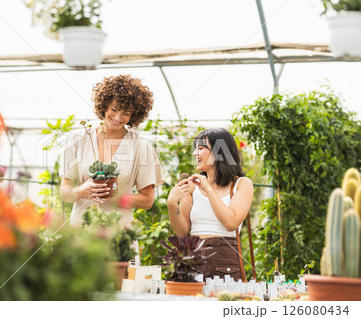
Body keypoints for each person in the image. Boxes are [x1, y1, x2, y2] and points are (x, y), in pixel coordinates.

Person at [60, 74, 164, 226]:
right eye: (114, 109)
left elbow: (147, 200)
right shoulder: (77, 139)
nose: (118, 117)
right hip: (82, 233)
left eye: (126, 113)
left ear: (134, 114)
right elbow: (65, 192)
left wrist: (113, 198)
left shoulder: (141, 146)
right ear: (104, 105)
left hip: (119, 235)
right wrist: (81, 191)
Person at [167, 128, 253, 280]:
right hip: (193, 255)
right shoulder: (193, 187)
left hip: (225, 258)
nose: (195, 153)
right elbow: (182, 231)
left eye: (200, 149)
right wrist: (172, 205)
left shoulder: (241, 184)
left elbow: (231, 223)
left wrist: (208, 188)